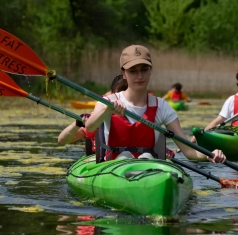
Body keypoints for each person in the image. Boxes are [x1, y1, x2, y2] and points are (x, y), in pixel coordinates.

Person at [85, 45, 226, 163]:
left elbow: (189, 151)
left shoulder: (162, 106)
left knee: (146, 157)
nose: (139, 76)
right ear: (123, 73)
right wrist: (106, 110)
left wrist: (209, 155)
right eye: (133, 71)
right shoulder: (107, 101)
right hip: (114, 168)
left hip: (147, 168)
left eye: (144, 70)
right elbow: (89, 126)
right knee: (125, 156)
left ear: (151, 70)